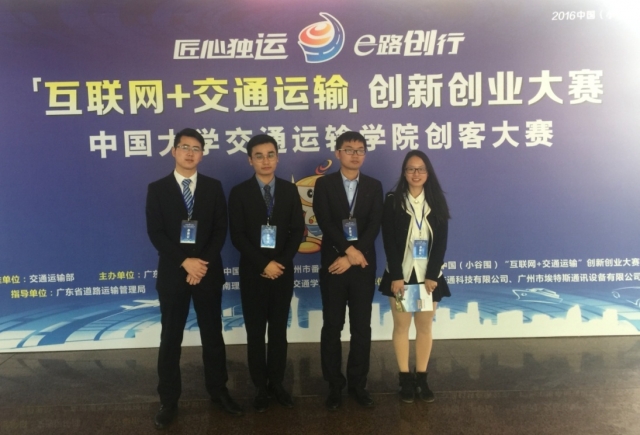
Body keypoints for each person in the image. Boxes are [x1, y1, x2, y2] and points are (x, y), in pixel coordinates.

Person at [146, 128, 243, 429]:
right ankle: (168, 400)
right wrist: (184, 262)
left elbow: (220, 229)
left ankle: (219, 391)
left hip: (207, 272)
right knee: (170, 338)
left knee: (213, 335)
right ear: (173, 151)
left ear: (202, 154)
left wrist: (200, 264)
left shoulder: (213, 187)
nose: (190, 153)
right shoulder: (157, 188)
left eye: (196, 148)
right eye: (185, 147)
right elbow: (156, 232)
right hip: (174, 274)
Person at [228, 134, 305, 412]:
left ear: (278, 158)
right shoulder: (239, 192)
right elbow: (237, 235)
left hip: (282, 272)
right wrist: (263, 264)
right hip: (253, 273)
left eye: (270, 154)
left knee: (278, 332)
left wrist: (279, 263)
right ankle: (260, 387)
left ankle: (277, 383)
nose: (265, 160)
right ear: (250, 160)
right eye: (259, 156)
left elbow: (297, 231)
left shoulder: (289, 190)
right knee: (256, 332)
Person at [313, 131, 383, 410]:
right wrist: (346, 251)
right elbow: (325, 221)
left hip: (362, 265)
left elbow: (375, 224)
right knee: (332, 326)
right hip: (334, 264)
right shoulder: (324, 184)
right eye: (349, 149)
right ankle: (334, 385)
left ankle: (357, 384)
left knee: (361, 327)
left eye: (360, 150)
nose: (355, 154)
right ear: (338, 153)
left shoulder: (374, 185)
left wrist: (354, 254)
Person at [379, 150, 451, 403]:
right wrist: (396, 276)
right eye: (411, 169)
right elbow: (388, 241)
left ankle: (422, 378)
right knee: (401, 327)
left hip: (428, 278)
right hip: (401, 276)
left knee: (424, 327)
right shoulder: (393, 201)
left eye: (421, 169)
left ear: (428, 173)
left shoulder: (437, 202)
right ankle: (405, 379)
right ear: (404, 173)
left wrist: (432, 276)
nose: (416, 173)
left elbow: (441, 242)